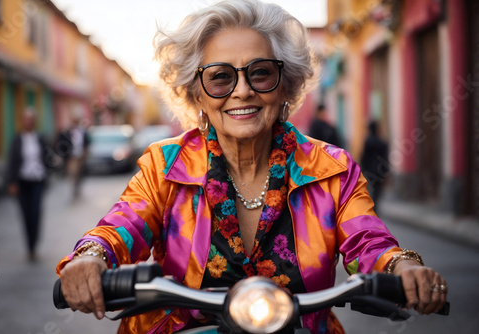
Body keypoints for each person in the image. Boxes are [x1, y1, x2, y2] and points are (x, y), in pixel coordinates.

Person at [57, 1, 447, 333]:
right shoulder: (165, 166)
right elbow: (123, 225)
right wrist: (92, 256)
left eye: (259, 72)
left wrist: (401, 266)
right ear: (198, 95)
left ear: (284, 85)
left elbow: (369, 241)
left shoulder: (332, 169)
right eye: (221, 78)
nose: (242, 90)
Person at [6, 108, 53, 261]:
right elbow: (12, 162)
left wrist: (49, 171)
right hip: (22, 182)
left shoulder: (40, 138)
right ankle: (29, 246)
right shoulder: (17, 140)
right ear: (22, 121)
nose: (28, 122)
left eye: (31, 119)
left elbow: (47, 157)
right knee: (26, 215)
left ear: (34, 121)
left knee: (36, 213)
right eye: (25, 119)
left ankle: (34, 244)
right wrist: (11, 182)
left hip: (37, 181)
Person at [55, 109, 90, 200]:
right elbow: (61, 142)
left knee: (79, 174)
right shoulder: (67, 130)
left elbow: (87, 142)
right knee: (72, 174)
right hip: (71, 157)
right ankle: (73, 189)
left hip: (80, 156)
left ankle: (77, 188)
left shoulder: (82, 130)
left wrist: (85, 152)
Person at [361, 121, 390, 213]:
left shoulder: (368, 142)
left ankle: (371, 210)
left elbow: (364, 157)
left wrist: (363, 170)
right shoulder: (382, 142)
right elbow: (385, 158)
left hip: (369, 172)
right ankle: (375, 210)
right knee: (377, 193)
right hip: (379, 172)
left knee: (370, 192)